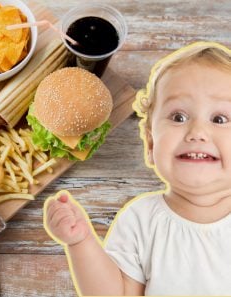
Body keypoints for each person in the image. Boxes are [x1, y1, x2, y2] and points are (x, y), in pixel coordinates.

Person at [44, 41, 231, 296]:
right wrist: (81, 242)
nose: (197, 132)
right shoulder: (141, 219)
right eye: (179, 117)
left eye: (220, 119)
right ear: (151, 142)